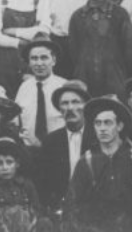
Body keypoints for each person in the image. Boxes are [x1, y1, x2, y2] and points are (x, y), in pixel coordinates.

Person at [65, 97, 132, 225]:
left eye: (108, 123)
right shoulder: (86, 161)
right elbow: (72, 203)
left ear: (119, 126)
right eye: (98, 123)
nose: (102, 128)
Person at [70, 0, 132, 96]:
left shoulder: (119, 13)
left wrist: (118, 68)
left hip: (114, 76)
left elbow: (130, 47)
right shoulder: (77, 16)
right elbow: (74, 50)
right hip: (86, 75)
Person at [37, 80, 95, 213]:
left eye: (75, 102)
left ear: (85, 106)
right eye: (65, 103)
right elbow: (44, 183)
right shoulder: (50, 142)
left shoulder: (97, 138)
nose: (70, 108)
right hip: (60, 208)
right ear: (59, 108)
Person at [15, 34, 67, 147]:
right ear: (29, 62)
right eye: (34, 58)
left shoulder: (64, 87)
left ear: (53, 60)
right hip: (29, 151)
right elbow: (16, 123)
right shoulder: (24, 88)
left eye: (44, 58)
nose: (39, 63)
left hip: (58, 151)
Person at [0, 137, 41, 215]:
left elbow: (36, 209)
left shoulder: (26, 184)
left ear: (17, 164)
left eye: (9, 162)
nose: (5, 167)